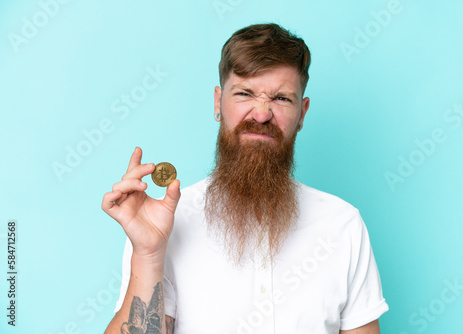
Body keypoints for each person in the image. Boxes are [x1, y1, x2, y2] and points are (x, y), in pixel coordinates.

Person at [102, 23, 388, 334]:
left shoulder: (342, 225)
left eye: (281, 99)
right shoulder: (165, 225)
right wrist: (148, 253)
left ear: (302, 113)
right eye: (244, 93)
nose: (262, 113)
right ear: (218, 103)